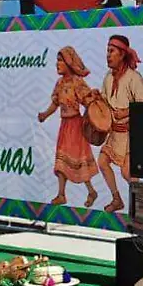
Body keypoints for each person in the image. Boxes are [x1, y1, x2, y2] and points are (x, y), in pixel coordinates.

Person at [97, 35, 143, 213]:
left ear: (121, 54)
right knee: (103, 161)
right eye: (107, 51)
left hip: (130, 135)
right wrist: (96, 101)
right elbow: (105, 100)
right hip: (115, 133)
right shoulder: (108, 78)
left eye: (111, 51)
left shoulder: (133, 78)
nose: (108, 55)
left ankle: (142, 203)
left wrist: (125, 112)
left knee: (127, 173)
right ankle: (117, 199)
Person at [39, 47, 100, 208]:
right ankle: (61, 195)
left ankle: (91, 191)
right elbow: (55, 104)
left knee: (79, 160)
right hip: (65, 126)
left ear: (68, 63)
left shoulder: (76, 82)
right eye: (57, 61)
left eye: (60, 61)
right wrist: (45, 114)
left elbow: (87, 101)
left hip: (76, 126)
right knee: (61, 160)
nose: (57, 64)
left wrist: (94, 101)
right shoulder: (59, 83)